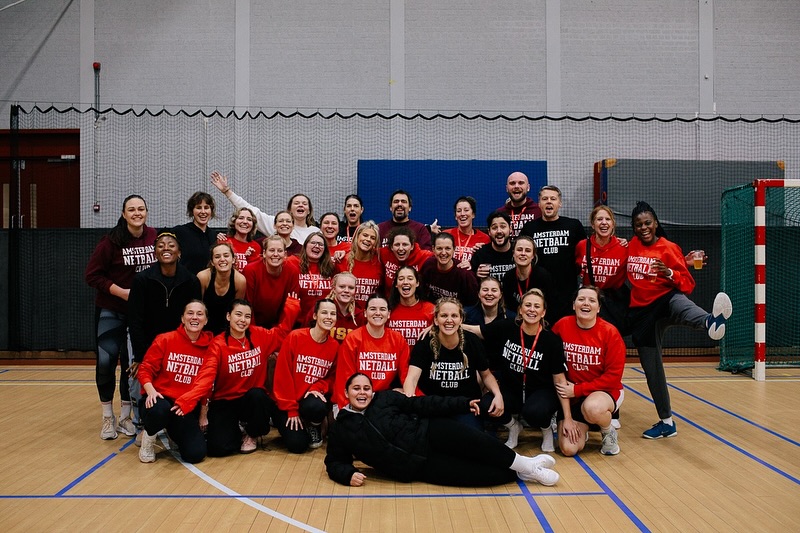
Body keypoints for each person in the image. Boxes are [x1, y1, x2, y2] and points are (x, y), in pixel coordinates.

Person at [325, 373, 559, 487]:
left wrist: (461, 403)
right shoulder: (341, 429)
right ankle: (522, 471)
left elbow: (423, 404)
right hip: (418, 466)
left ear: (373, 391)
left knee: (480, 443)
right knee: (491, 476)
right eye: (356, 388)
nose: (362, 393)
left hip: (430, 431)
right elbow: (334, 461)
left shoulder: (385, 399)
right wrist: (347, 474)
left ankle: (528, 465)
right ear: (346, 393)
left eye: (366, 388)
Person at [625, 201, 732, 439]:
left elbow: (687, 284)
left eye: (648, 223)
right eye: (639, 225)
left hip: (665, 299)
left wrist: (670, 272)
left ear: (656, 223)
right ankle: (666, 423)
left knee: (680, 304)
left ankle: (710, 322)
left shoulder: (668, 247)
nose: (644, 228)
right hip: (642, 313)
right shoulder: (631, 245)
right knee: (652, 369)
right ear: (634, 228)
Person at [84, 194, 156, 440]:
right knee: (106, 362)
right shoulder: (110, 242)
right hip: (112, 309)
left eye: (141, 209)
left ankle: (126, 416)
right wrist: (122, 293)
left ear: (146, 212)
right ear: (124, 214)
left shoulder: (153, 236)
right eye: (132, 209)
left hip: (140, 313)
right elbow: (92, 276)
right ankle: (108, 417)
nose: (137, 213)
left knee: (131, 364)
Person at [464, 289, 571, 453]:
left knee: (534, 412)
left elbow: (560, 380)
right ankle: (513, 427)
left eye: (537, 306)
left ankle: (546, 429)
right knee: (486, 405)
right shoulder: (507, 327)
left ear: (543, 313)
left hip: (540, 391)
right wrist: (446, 325)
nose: (531, 310)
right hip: (511, 389)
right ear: (520, 310)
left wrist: (568, 417)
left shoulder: (552, 341)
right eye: (527, 305)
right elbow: (477, 330)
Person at [195, 296, 301, 455]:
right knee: (219, 449)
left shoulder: (259, 335)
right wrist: (203, 413)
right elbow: (207, 380)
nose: (242, 320)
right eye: (238, 315)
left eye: (247, 316)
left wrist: (292, 307)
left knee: (258, 396)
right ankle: (236, 430)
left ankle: (252, 433)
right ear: (228, 316)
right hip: (225, 400)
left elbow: (281, 333)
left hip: (251, 400)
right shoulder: (217, 344)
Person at [128, 232, 202, 427]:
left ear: (179, 252)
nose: (166, 248)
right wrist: (140, 356)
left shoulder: (191, 280)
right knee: (139, 375)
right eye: (161, 245)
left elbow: (194, 317)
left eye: (171, 245)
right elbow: (135, 320)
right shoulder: (142, 280)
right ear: (155, 252)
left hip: (176, 344)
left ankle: (173, 422)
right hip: (146, 340)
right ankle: (141, 423)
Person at [403, 298, 504, 432]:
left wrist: (498, 395)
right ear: (436, 320)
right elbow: (412, 378)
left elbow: (486, 375)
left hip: (466, 405)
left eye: (454, 316)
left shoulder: (472, 341)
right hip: (435, 406)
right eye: (444, 315)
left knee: (472, 439)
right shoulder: (424, 343)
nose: (449, 320)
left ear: (461, 319)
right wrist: (410, 401)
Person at [137, 301, 214, 464]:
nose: (195, 317)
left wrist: (203, 415)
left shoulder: (211, 348)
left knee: (196, 454)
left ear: (206, 320)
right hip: (159, 400)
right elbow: (145, 369)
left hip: (184, 406)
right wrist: (151, 391)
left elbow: (207, 386)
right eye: (190, 313)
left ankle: (172, 433)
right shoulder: (165, 339)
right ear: (183, 318)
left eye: (200, 314)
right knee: (160, 410)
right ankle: (148, 438)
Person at [551, 286, 626, 457]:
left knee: (593, 408)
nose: (586, 303)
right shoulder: (562, 325)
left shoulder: (610, 333)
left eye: (592, 300)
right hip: (572, 396)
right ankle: (583, 428)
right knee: (568, 449)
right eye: (581, 299)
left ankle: (607, 431)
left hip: (603, 393)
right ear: (574, 305)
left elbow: (613, 378)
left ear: (598, 308)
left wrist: (577, 389)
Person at [269, 299, 340, 452]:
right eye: (324, 313)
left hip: (308, 401)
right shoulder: (295, 337)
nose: (329, 317)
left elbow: (333, 378)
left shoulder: (334, 346)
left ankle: (314, 425)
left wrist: (318, 387)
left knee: (316, 406)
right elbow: (282, 377)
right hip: (286, 403)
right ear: (315, 315)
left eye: (333, 314)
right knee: (297, 445)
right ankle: (284, 422)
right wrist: (291, 410)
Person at [519, 185, 586, 322]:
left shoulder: (573, 226)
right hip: (538, 293)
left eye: (553, 199)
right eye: (545, 199)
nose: (549, 201)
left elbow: (588, 250)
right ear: (539, 203)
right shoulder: (529, 228)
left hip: (567, 293)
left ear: (559, 203)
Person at [333, 294, 410, 409]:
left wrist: (409, 394)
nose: (378, 313)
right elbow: (345, 379)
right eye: (373, 309)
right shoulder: (353, 339)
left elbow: (406, 374)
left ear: (389, 314)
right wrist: (346, 409)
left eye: (382, 309)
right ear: (365, 313)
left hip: (383, 400)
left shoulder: (398, 339)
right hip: (356, 400)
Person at [210, 171, 315, 243]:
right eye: (296, 203)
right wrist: (227, 192)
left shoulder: (315, 232)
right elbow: (251, 210)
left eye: (304, 203)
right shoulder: (277, 223)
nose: (300, 205)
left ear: (309, 210)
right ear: (289, 210)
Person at [575, 206, 630, 331]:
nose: (604, 222)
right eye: (599, 219)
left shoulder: (624, 248)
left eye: (608, 219)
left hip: (614, 304)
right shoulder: (582, 246)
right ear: (593, 224)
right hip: (589, 302)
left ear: (613, 224)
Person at [243, 234, 301, 328]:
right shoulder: (250, 270)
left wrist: (280, 330)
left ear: (285, 254)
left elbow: (290, 306)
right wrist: (254, 331)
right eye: (271, 250)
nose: (276, 254)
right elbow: (247, 304)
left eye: (280, 251)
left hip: (279, 326)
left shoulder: (293, 271)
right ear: (264, 253)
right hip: (253, 324)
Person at [197, 242, 246, 334]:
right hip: (203, 326)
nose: (222, 259)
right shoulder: (203, 277)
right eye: (217, 257)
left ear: (233, 259)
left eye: (226, 256)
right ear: (212, 262)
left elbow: (237, 311)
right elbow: (197, 307)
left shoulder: (240, 280)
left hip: (227, 328)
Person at [501, 235, 557, 314]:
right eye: (519, 250)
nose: (523, 253)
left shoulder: (543, 277)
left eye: (527, 251)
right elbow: (508, 307)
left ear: (533, 255)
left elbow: (551, 307)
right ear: (513, 253)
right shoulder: (508, 277)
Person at [419, 232, 478, 306]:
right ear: (433, 249)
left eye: (448, 248)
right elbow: (421, 292)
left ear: (454, 249)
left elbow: (473, 305)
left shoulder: (465, 274)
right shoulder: (428, 265)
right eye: (439, 248)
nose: (443, 253)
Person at [337, 221, 384, 312]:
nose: (368, 239)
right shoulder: (341, 260)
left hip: (371, 315)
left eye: (373, 238)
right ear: (357, 236)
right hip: (346, 315)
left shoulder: (380, 261)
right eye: (365, 235)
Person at [293, 231, 336, 325]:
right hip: (298, 322)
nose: (317, 246)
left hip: (324, 321)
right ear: (305, 245)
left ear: (325, 249)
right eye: (313, 243)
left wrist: (343, 252)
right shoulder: (293, 262)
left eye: (320, 244)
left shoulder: (332, 267)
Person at [387, 266, 435, 348]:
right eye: (401, 279)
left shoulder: (431, 309)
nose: (405, 282)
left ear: (417, 283)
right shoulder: (387, 310)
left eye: (410, 278)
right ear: (396, 284)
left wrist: (435, 328)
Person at [379, 226, 433, 297]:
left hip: (415, 300)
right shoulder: (384, 253)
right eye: (397, 245)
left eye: (405, 244)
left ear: (412, 246)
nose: (401, 248)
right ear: (391, 247)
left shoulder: (423, 256)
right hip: (389, 301)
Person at [173, 191, 217, 274]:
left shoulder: (213, 235)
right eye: (198, 208)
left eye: (206, 207)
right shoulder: (181, 231)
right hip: (187, 280)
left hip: (208, 281)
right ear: (192, 210)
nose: (203, 212)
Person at [444, 196, 490, 267]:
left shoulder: (484, 238)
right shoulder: (446, 235)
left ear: (473, 214)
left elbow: (488, 263)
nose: (462, 214)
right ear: (455, 216)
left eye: (466, 210)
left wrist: (482, 252)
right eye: (459, 211)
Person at [470, 211, 516, 280]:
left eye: (503, 227)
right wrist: (476, 275)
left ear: (510, 229)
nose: (499, 231)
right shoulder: (480, 254)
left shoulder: (517, 251)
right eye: (494, 228)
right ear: (489, 232)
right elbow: (471, 280)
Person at [496, 171, 541, 238]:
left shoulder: (539, 211)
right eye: (512, 183)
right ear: (507, 188)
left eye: (521, 183)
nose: (516, 186)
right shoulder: (499, 213)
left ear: (528, 187)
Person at [223, 206, 262, 272]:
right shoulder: (224, 242)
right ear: (234, 221)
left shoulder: (256, 247)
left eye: (249, 219)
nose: (245, 222)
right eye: (241, 218)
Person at [327, 271, 361, 342]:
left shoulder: (360, 316)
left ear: (355, 291)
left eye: (351, 288)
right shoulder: (320, 311)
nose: (346, 290)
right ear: (334, 289)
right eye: (342, 287)